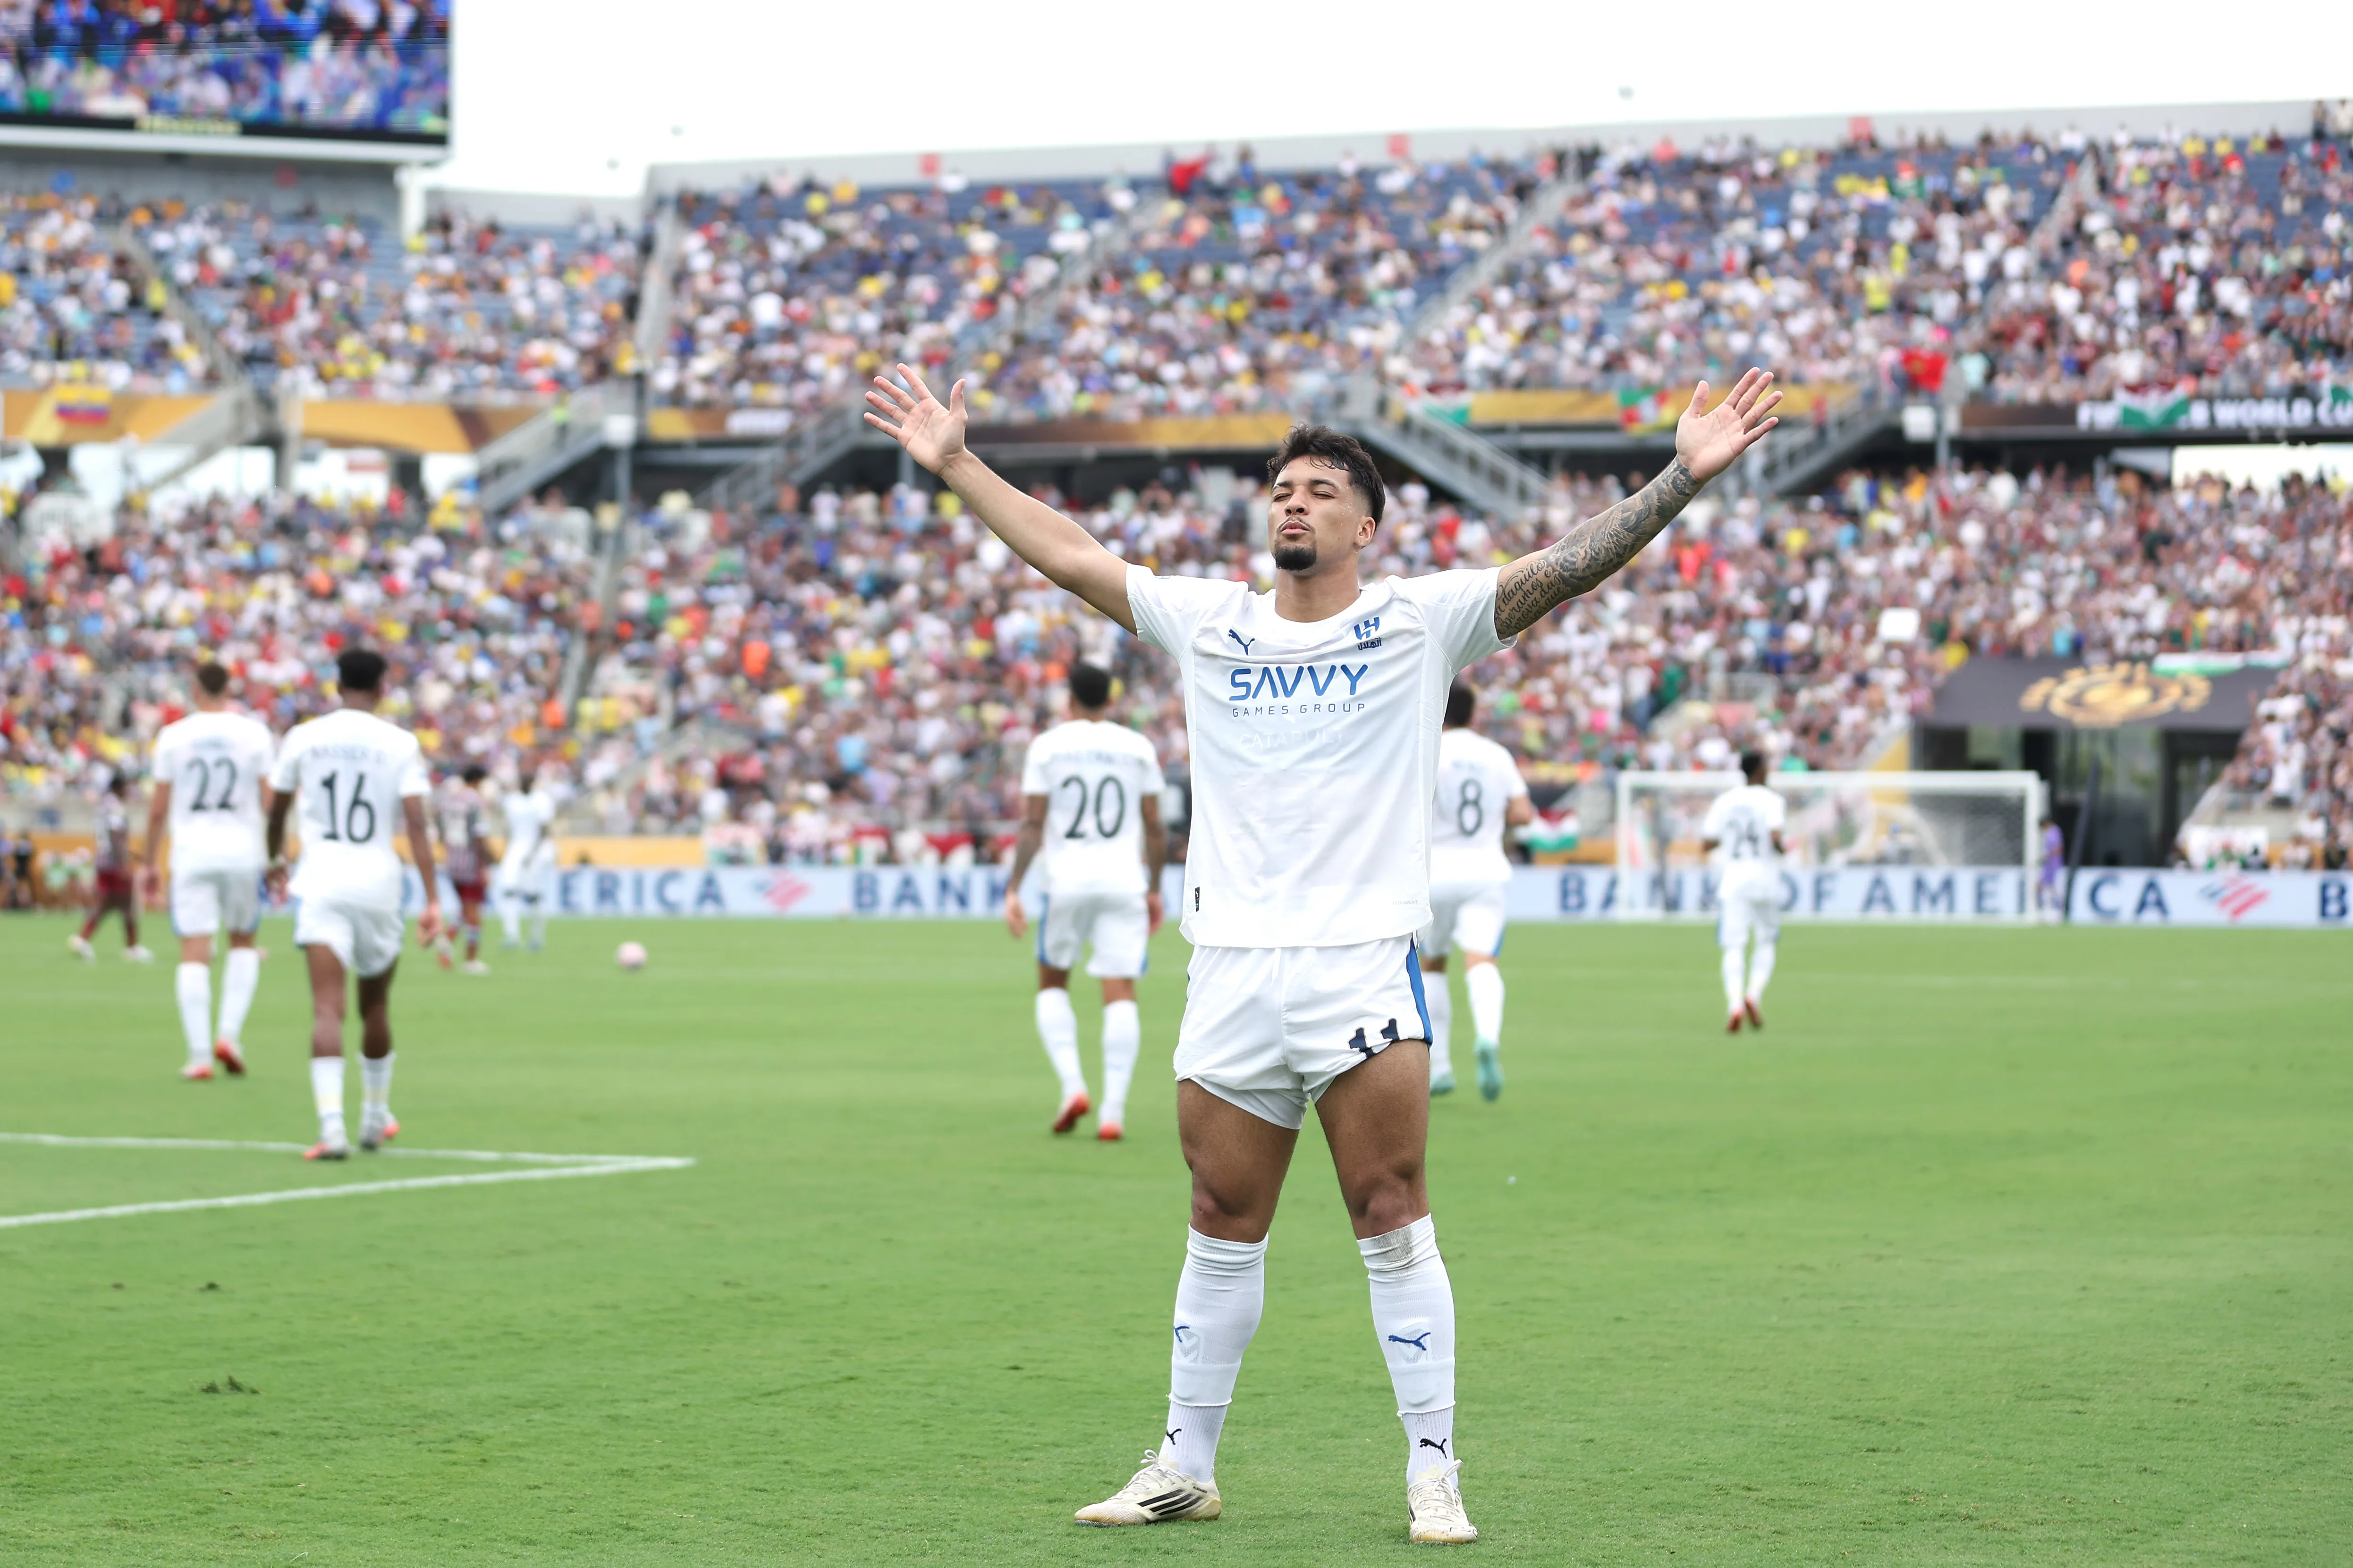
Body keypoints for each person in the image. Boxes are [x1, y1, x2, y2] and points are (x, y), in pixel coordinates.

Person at [865, 359, 1778, 1542]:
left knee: (1390, 1207)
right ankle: (1184, 1460)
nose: (1291, 503)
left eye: (1318, 489)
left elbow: (1562, 568)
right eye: (1281, 487)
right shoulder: (1213, 622)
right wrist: (956, 464)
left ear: (1366, 522)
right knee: (1219, 1209)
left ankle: (1434, 1467)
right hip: (1233, 965)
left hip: (1359, 962)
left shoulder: (1418, 620)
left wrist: (1679, 480)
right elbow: (1075, 554)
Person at [265, 648, 442, 1161]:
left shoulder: (305, 737)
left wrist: (273, 856)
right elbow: (416, 825)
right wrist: (432, 898)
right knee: (376, 1006)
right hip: (378, 885)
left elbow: (276, 809)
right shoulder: (400, 743)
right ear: (382, 687)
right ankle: (373, 1116)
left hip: (321, 880)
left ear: (336, 684)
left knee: (327, 1007)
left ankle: (332, 1127)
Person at [1004, 662, 1168, 1140]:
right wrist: (1154, 886)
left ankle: (1073, 1086)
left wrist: (1015, 885)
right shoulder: (1137, 747)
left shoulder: (1048, 746)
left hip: (1068, 880)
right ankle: (1113, 1111)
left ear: (1069, 701)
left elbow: (1033, 824)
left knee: (1052, 980)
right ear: (1109, 701)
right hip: (1123, 881)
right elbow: (1155, 826)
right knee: (1120, 989)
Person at [144, 661, 276, 1080]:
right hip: (243, 851)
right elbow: (272, 803)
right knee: (242, 943)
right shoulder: (253, 733)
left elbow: (158, 810)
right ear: (231, 689)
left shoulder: (174, 736)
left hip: (193, 853)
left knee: (194, 954)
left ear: (194, 689)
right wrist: (277, 856)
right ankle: (230, 1036)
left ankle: (200, 1056)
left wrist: (149, 862)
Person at [1419, 682, 1531, 1101]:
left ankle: (1442, 1065)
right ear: (1475, 713)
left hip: (1434, 873)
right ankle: (1487, 1038)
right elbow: (1522, 812)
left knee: (1432, 965)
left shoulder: (1426, 749)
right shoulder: (1494, 755)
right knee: (1482, 960)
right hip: (1485, 870)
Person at [1700, 750, 1786, 1033]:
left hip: (1734, 878)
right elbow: (1775, 837)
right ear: (1760, 770)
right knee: (1766, 941)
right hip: (1764, 877)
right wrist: (1785, 849)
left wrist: (1728, 838)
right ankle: (1754, 993)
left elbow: (1706, 844)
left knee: (1733, 945)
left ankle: (1735, 1004)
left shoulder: (1725, 801)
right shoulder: (1772, 800)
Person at [71, 774, 151, 963]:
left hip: (104, 861)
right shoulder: (115, 808)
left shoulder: (104, 806)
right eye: (127, 788)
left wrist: (131, 854)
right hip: (114, 863)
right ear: (119, 787)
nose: (129, 792)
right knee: (122, 904)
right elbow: (116, 836)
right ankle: (131, 947)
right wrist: (123, 863)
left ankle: (86, 939)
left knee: (114, 903)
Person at [435, 764, 494, 974]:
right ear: (478, 781)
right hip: (470, 863)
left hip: (452, 861)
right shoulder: (476, 802)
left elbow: (440, 830)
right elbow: (480, 836)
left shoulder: (450, 800)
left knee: (465, 908)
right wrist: (486, 864)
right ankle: (471, 959)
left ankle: (447, 939)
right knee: (474, 914)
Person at [497, 764, 558, 952]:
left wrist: (533, 854)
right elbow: (508, 829)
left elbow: (545, 830)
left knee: (534, 894)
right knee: (509, 890)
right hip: (516, 848)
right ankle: (511, 935)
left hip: (538, 850)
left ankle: (536, 937)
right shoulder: (512, 801)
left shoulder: (542, 800)